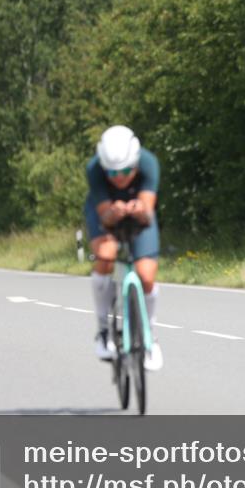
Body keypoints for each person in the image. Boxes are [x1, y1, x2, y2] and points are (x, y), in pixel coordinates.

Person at [85, 125, 163, 371]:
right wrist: (113, 211)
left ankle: (150, 338)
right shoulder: (94, 169)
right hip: (105, 212)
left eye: (127, 171)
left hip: (139, 215)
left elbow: (148, 209)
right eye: (113, 173)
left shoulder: (149, 163)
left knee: (147, 274)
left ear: (136, 163)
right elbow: (104, 215)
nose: (119, 177)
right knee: (106, 257)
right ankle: (104, 330)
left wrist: (138, 209)